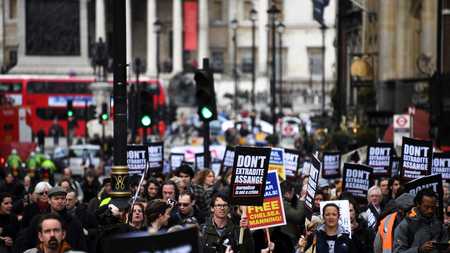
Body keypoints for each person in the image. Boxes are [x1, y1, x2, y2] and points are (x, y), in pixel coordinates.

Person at [393, 188, 449, 253]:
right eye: (426, 207)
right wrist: (419, 250)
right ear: (418, 204)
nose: (430, 210)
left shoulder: (439, 225)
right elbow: (398, 251)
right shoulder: (405, 225)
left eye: (433, 207)